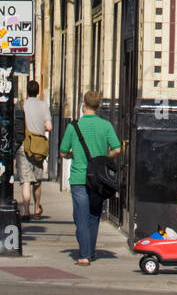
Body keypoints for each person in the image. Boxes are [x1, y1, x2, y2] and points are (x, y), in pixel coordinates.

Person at [59, 90, 121, 266]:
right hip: (98, 179)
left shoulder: (73, 126)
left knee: (81, 217)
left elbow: (63, 152)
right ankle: (91, 251)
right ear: (98, 106)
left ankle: (85, 254)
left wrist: (72, 155)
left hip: (79, 177)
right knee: (94, 216)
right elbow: (117, 149)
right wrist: (105, 158)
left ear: (83, 105)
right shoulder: (106, 125)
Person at [15, 80, 53, 220]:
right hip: (38, 147)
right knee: (37, 181)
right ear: (38, 91)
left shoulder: (21, 105)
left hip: (24, 146)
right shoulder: (43, 105)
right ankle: (37, 209)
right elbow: (49, 127)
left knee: (25, 181)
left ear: (27, 91)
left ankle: (26, 211)